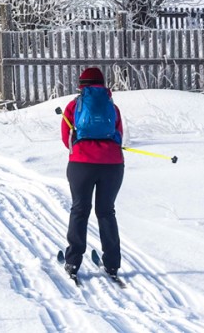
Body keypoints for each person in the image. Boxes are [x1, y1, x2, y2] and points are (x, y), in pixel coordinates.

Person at [60, 66, 124, 280]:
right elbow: (119, 135)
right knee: (107, 212)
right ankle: (112, 264)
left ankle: (73, 262)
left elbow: (65, 138)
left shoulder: (73, 106)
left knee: (80, 210)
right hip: (113, 164)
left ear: (82, 86)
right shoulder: (112, 107)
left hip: (81, 163)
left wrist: (81, 148)